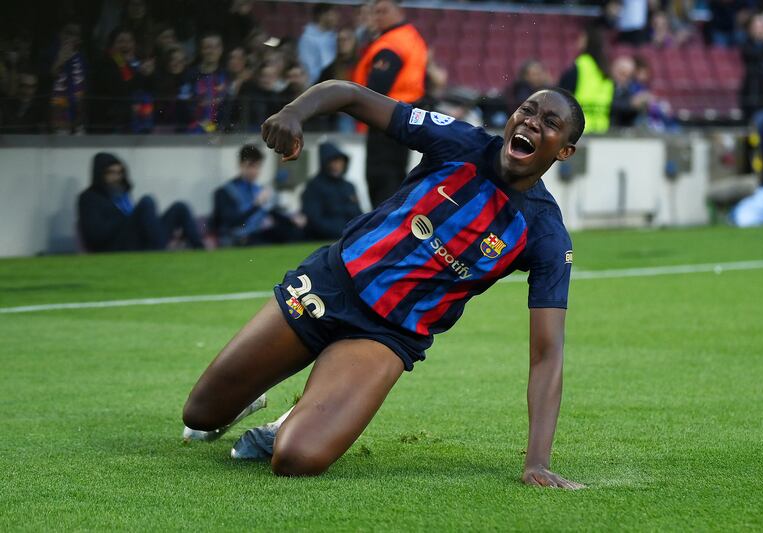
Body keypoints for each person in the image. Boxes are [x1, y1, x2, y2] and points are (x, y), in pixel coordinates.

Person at [181, 79, 586, 490]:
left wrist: (536, 460)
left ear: (564, 151)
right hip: (330, 284)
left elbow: (547, 354)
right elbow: (351, 95)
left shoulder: (545, 235)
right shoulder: (458, 141)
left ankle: (292, 419)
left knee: (295, 458)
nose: (532, 122)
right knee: (199, 414)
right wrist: (294, 112)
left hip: (387, 335)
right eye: (528, 110)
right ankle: (250, 393)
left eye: (550, 122)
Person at [352, 0, 428, 207]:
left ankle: (382, 233)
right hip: (402, 118)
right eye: (375, 12)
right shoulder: (411, 37)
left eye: (383, 11)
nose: (378, 17)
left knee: (381, 180)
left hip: (384, 119)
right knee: (394, 177)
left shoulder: (391, 43)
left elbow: (376, 87)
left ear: (399, 10)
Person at [78, 152, 204, 252]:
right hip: (115, 246)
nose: (116, 177)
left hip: (138, 240)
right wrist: (126, 220)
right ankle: (159, 250)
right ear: (100, 174)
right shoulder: (89, 198)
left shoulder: (121, 195)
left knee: (180, 207)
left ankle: (200, 251)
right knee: (146, 202)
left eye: (119, 173)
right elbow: (93, 236)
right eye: (111, 173)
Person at [212, 144, 306, 246]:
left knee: (294, 231)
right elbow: (231, 222)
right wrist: (256, 204)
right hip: (238, 238)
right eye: (250, 166)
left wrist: (292, 219)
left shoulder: (258, 189)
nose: (254, 171)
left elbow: (270, 212)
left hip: (258, 235)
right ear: (240, 165)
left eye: (258, 167)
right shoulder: (225, 192)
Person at [302, 142, 362, 240]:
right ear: (325, 162)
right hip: (324, 238)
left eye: (339, 161)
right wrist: (342, 231)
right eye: (333, 161)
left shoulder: (349, 186)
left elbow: (358, 213)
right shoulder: (314, 186)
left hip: (350, 235)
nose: (337, 165)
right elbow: (314, 219)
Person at [559, 25, 613, 134]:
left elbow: (561, 94)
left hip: (580, 131)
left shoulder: (581, 65)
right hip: (602, 130)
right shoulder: (606, 69)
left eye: (582, 37)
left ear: (588, 41)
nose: (578, 41)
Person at [186, 32, 229, 133]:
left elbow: (229, 106)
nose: (212, 51)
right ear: (201, 50)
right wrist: (206, 126)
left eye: (216, 47)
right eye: (208, 47)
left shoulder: (227, 75)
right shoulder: (190, 75)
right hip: (193, 132)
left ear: (221, 49)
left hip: (222, 134)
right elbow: (186, 105)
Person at [297, 3, 339, 85]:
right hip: (317, 85)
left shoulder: (334, 36)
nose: (336, 17)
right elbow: (309, 68)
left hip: (333, 83)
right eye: (332, 14)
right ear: (322, 16)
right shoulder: (308, 39)